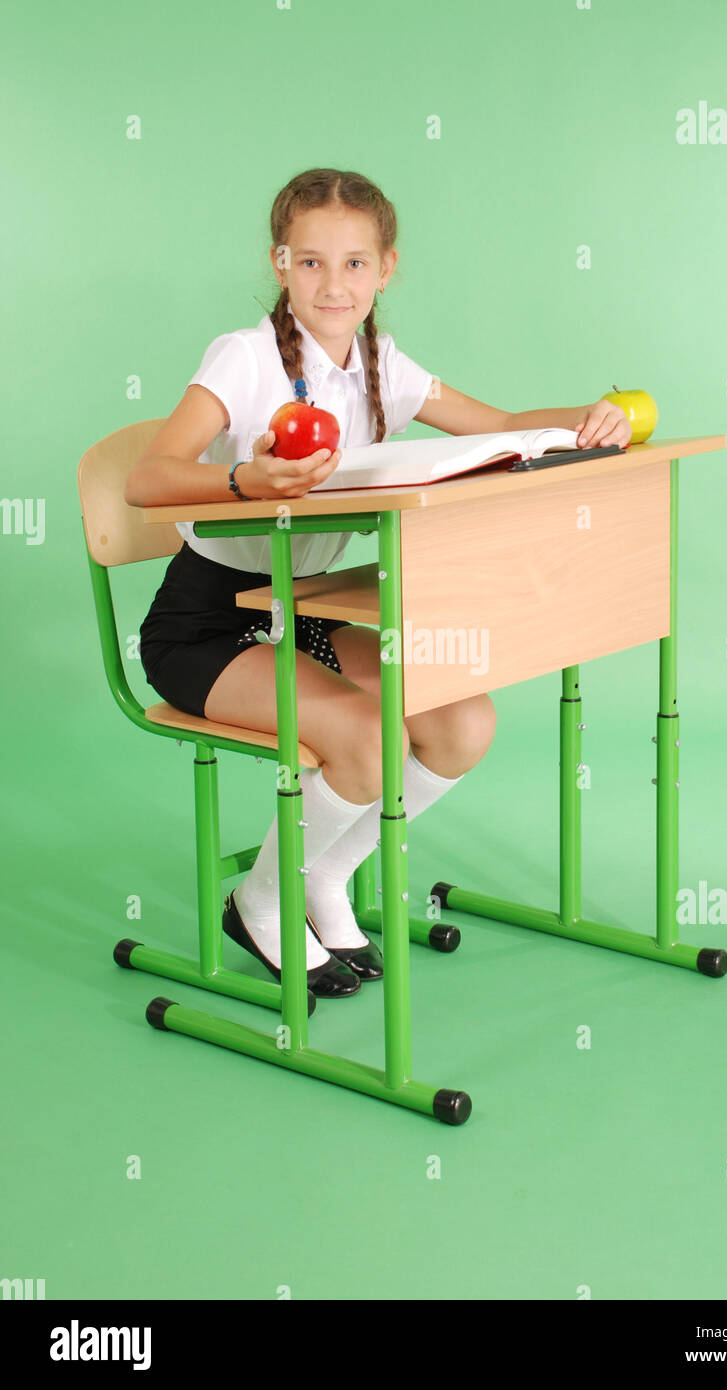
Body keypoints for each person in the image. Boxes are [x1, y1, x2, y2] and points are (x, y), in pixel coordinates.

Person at [127, 167, 631, 1001]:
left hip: (306, 611)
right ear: (280, 262)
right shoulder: (244, 357)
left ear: (385, 269)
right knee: (369, 739)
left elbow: (499, 427)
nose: (335, 283)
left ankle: (324, 879)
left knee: (463, 721)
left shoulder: (379, 364)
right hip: (207, 624)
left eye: (355, 264)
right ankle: (257, 902)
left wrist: (587, 418)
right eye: (313, 262)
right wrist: (246, 485)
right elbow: (147, 480)